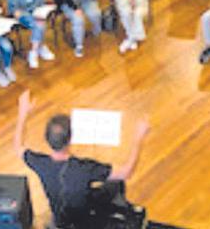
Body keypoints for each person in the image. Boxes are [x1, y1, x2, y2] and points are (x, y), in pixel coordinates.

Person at [14, 90, 150, 229]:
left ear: (47, 139)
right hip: (85, 222)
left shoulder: (40, 163)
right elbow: (126, 172)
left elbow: (18, 146)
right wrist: (138, 138)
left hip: (61, 221)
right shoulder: (84, 168)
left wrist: (22, 113)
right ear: (71, 139)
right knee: (116, 184)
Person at [7, 0, 55, 68]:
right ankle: (36, 50)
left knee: (40, 25)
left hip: (36, 12)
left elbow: (41, 3)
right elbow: (14, 10)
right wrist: (24, 15)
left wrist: (40, 12)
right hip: (23, 14)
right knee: (39, 25)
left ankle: (37, 48)